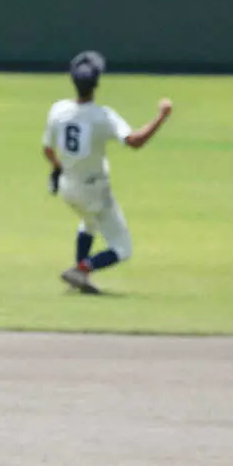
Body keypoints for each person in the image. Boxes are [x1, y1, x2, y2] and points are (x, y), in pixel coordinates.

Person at [43, 50, 173, 294]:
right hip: (93, 190)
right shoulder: (102, 116)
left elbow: (48, 150)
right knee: (123, 249)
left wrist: (57, 168)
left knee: (88, 222)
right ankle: (81, 269)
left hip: (68, 188)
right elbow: (134, 141)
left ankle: (80, 278)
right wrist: (162, 116)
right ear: (97, 85)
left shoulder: (57, 109)